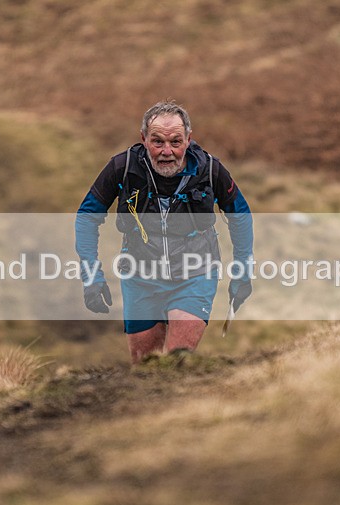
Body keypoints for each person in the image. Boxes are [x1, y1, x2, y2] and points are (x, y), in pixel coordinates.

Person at [75, 100, 253, 363]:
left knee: (176, 362)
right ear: (144, 139)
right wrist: (91, 277)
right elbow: (87, 217)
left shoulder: (210, 170)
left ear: (189, 140)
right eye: (157, 141)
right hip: (140, 277)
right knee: (145, 366)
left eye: (176, 142)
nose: (167, 151)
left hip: (196, 272)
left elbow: (241, 216)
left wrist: (243, 272)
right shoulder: (122, 168)